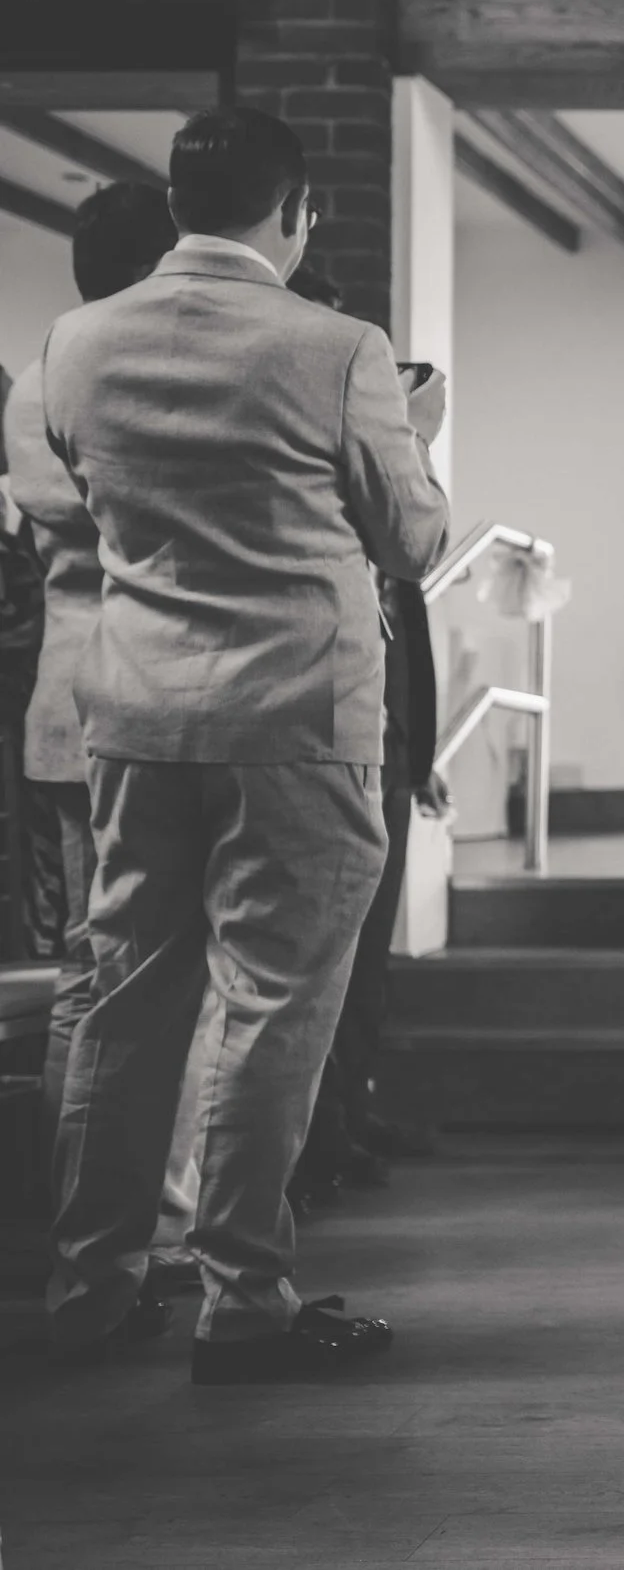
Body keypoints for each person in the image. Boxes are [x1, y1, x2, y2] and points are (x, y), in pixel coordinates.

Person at [42, 106, 450, 1382]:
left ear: (178, 206)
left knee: (126, 1000)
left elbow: (88, 490)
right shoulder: (337, 347)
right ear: (298, 212)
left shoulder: (77, 341)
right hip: (296, 720)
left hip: (137, 714)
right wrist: (416, 435)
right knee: (273, 1010)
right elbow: (413, 539)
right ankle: (243, 1298)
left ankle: (93, 1286)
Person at [3, 182, 175, 1168]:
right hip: (129, 687)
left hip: (62, 691)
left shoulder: (38, 371)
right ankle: (112, 1197)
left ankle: (72, 1200)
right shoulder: (113, 369)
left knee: (84, 958)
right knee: (121, 963)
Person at [284, 266, 441, 1207]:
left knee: (367, 958)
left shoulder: (358, 444)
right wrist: (410, 440)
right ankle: (305, 1151)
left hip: (385, 731)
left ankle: (346, 1115)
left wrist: (422, 751)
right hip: (321, 726)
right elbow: (400, 535)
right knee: (318, 963)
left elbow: (407, 588)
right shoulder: (302, 447)